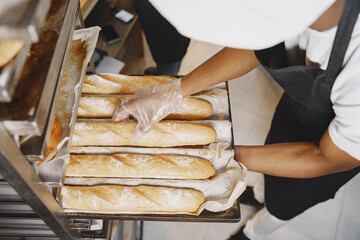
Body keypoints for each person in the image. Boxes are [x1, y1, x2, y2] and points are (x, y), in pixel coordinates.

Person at [113, 0, 360, 239]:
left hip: (330, 157)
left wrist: (219, 156)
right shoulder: (294, 11)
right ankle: (260, 194)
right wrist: (174, 92)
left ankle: (253, 233)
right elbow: (258, 46)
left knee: (283, 205)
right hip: (298, 113)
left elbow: (325, 159)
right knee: (269, 177)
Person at [133, 0, 190, 75]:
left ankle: (164, 79)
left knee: (167, 76)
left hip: (169, 46)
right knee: (172, 63)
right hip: (177, 35)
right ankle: (163, 72)